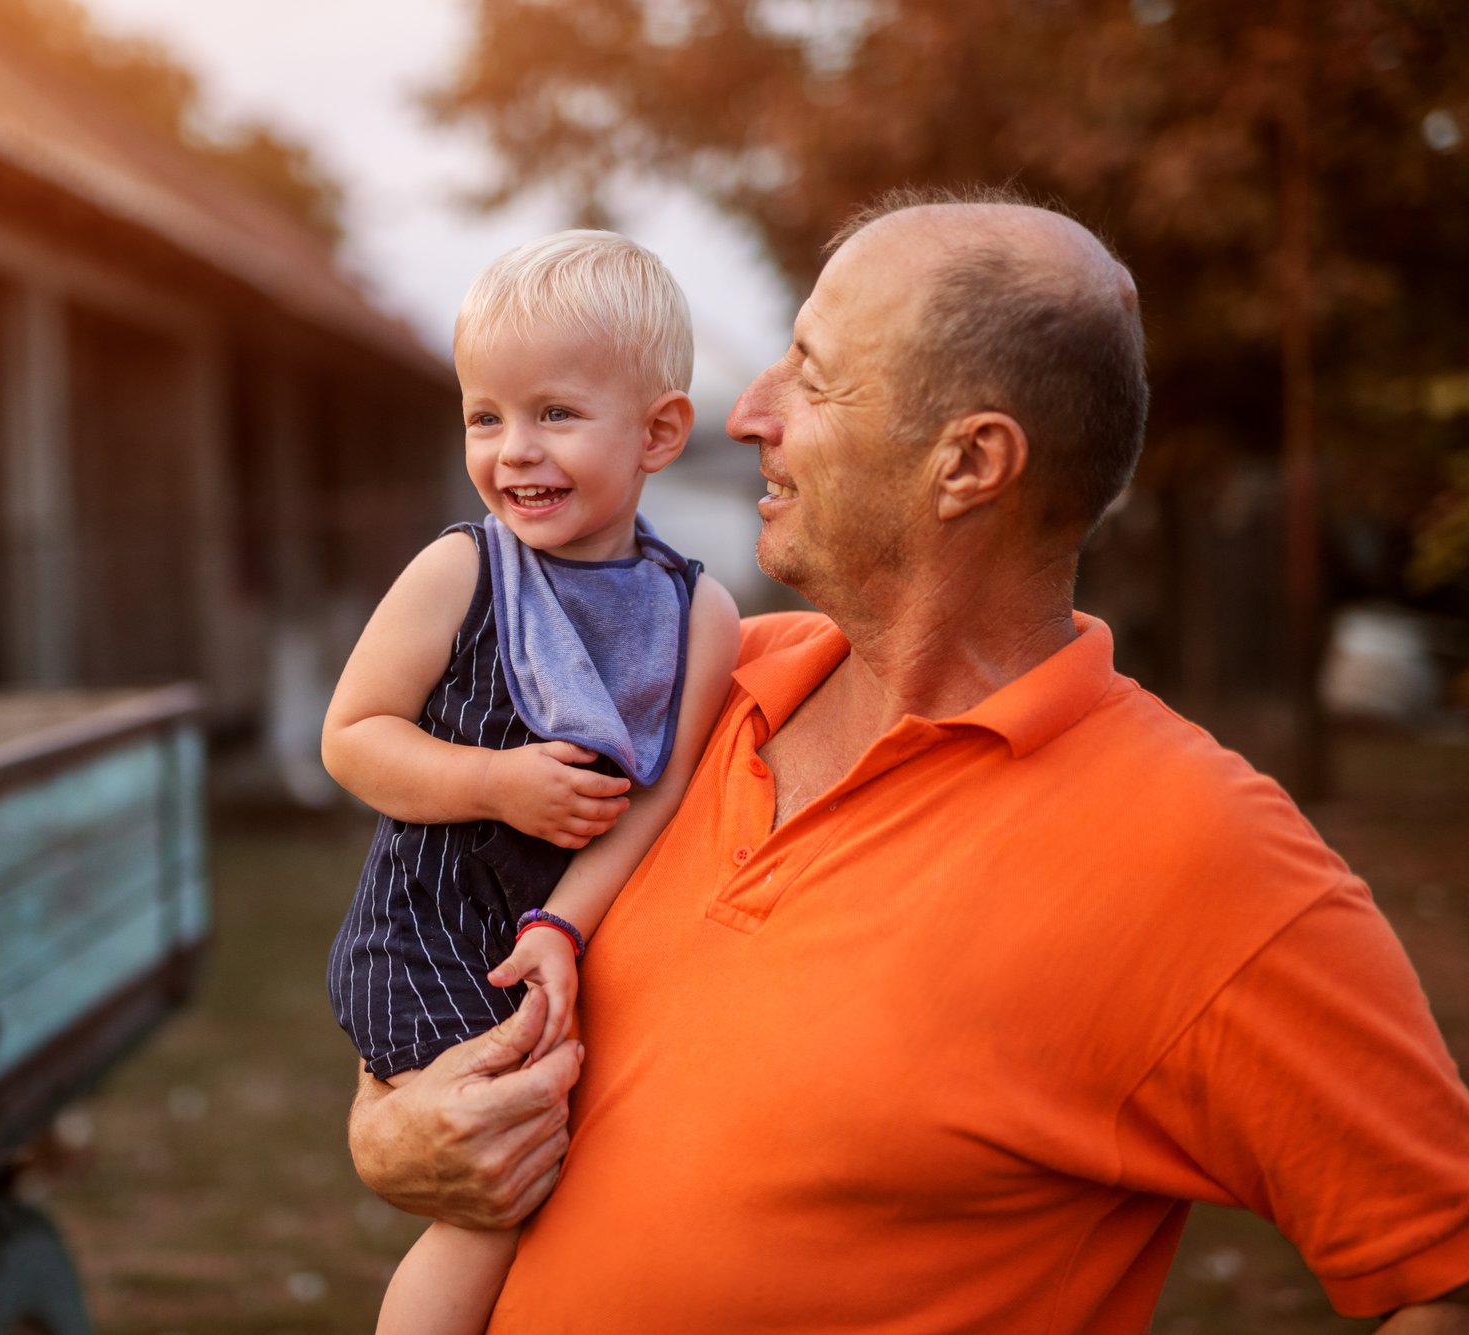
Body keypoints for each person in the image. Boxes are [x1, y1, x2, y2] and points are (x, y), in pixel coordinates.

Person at [344, 188, 1469, 1333]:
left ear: (967, 463)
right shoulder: (682, 696)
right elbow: (437, 955)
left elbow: (1442, 1277)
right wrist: (394, 1137)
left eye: (812, 375)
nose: (747, 414)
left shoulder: (1203, 854)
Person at [320, 230, 741, 1334]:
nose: (513, 451)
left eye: (554, 413)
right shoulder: (461, 571)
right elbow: (353, 737)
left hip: (549, 938)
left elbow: (653, 797)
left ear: (657, 431)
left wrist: (561, 921)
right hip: (429, 937)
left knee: (590, 1176)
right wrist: (495, 782)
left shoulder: (697, 615)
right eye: (483, 415)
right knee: (497, 1193)